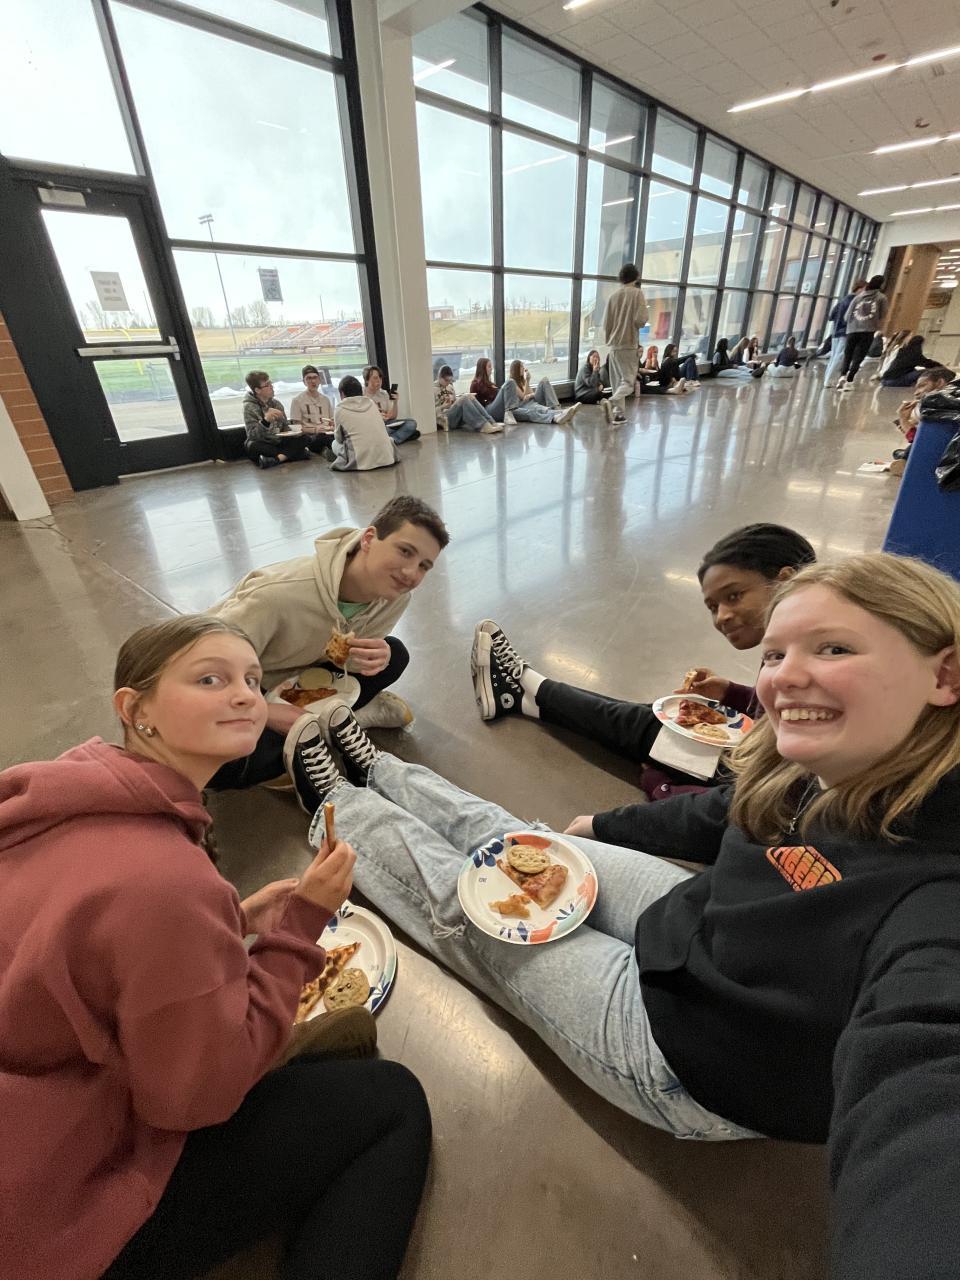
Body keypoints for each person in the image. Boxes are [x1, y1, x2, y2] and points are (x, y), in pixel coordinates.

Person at [282, 552, 960, 1280]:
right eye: (775, 653)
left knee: (464, 903)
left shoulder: (935, 900)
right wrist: (601, 827)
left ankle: (338, 807)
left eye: (834, 649)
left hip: (683, 1049)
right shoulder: (826, 757)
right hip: (694, 922)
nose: (784, 678)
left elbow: (925, 1102)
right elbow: (724, 811)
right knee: (528, 845)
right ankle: (381, 772)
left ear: (946, 674)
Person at [0, 615, 431, 1280]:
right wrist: (300, 924)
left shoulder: (60, 795)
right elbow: (194, 1099)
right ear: (134, 709)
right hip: (57, 1211)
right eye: (210, 679)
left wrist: (228, 921)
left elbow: (84, 948)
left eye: (253, 681)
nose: (245, 696)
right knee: (391, 1099)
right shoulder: (165, 882)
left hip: (29, 1119)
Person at [471, 522, 816, 802]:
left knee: (643, 725)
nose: (722, 616)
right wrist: (731, 692)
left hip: (740, 777)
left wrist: (662, 787)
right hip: (749, 758)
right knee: (649, 717)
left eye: (734, 596)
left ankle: (525, 684)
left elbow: (759, 803)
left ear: (785, 581)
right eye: (713, 607)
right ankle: (521, 697)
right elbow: (768, 712)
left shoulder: (809, 675)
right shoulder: (797, 647)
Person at [206, 495, 450, 786]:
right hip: (248, 686)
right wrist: (265, 711)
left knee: (394, 655)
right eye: (405, 551)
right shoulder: (276, 595)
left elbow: (342, 662)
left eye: (424, 565)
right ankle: (341, 724)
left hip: (304, 677)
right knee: (225, 765)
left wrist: (371, 658)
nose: (411, 573)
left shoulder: (394, 597)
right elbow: (205, 671)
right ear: (368, 539)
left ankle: (334, 725)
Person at [602, 263, 649, 424]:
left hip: (614, 346)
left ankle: (618, 414)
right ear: (636, 276)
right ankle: (612, 401)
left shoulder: (613, 297)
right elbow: (640, 320)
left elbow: (606, 324)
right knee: (628, 382)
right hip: (628, 344)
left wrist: (610, 338)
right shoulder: (637, 294)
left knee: (617, 382)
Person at [331, 375, 400, 472]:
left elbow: (339, 438)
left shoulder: (340, 409)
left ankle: (341, 457)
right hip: (386, 458)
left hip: (360, 461)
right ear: (361, 391)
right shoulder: (371, 403)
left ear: (342, 394)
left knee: (334, 443)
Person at [242, 371, 311, 469]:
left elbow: (285, 428)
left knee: (304, 438)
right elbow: (252, 435)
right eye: (267, 385)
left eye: (271, 383)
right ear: (257, 390)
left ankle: (276, 459)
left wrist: (294, 431)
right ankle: (296, 454)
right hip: (263, 443)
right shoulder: (249, 407)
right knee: (252, 446)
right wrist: (266, 421)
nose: (272, 387)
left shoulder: (276, 404)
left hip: (278, 441)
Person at [837, 275, 888, 390]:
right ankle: (849, 380)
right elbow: (883, 314)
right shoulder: (881, 298)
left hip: (852, 330)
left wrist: (853, 323)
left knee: (848, 355)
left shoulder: (858, 297)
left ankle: (842, 376)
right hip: (868, 331)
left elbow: (846, 316)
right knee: (858, 357)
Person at [504, 360, 580, 425]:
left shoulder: (522, 381)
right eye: (521, 367)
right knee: (539, 409)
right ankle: (561, 412)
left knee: (544, 380)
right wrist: (527, 381)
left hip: (532, 401)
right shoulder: (512, 383)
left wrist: (529, 393)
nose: (523, 368)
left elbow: (531, 394)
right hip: (524, 405)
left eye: (523, 366)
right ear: (516, 369)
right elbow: (524, 398)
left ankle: (557, 408)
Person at [823, 278, 866, 388]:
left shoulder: (842, 300)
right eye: (864, 289)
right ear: (859, 289)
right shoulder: (854, 302)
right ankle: (830, 380)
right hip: (845, 332)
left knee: (834, 357)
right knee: (839, 357)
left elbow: (831, 316)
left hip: (835, 332)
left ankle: (827, 379)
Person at [434, 365, 503, 433]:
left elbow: (455, 403)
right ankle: (483, 426)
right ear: (439, 377)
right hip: (445, 419)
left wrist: (456, 401)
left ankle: (491, 422)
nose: (448, 383)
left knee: (471, 397)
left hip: (454, 415)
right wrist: (443, 406)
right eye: (446, 380)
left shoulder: (450, 387)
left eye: (450, 380)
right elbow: (432, 413)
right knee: (464, 398)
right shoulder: (432, 390)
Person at [288, 364, 336, 460]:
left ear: (319, 380)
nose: (313, 381)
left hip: (326, 434)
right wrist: (315, 430)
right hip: (310, 437)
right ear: (304, 382)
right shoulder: (297, 400)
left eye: (315, 377)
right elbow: (296, 428)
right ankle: (330, 451)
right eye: (309, 378)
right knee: (320, 437)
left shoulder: (325, 399)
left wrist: (332, 426)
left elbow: (331, 421)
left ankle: (330, 451)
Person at [364, 365, 419, 445]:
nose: (379, 380)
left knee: (411, 423)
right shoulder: (362, 395)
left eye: (380, 377)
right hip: (373, 426)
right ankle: (396, 438)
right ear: (367, 380)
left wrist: (395, 402)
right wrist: (377, 416)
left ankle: (390, 441)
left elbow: (393, 417)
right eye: (375, 378)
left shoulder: (384, 393)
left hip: (386, 425)